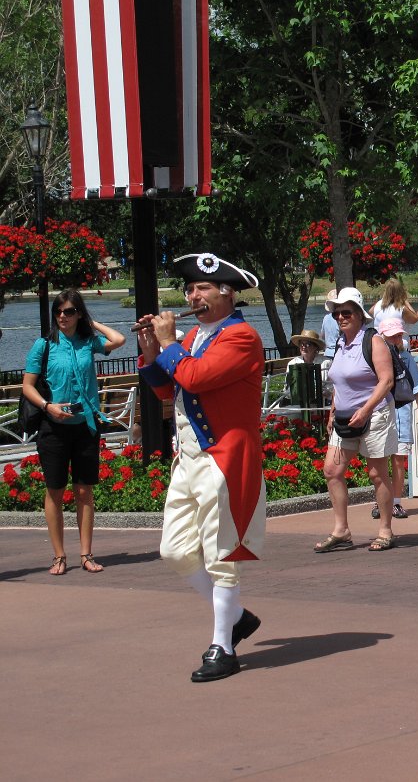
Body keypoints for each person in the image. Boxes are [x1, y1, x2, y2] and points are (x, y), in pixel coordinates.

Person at [136, 253, 265, 682]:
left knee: (221, 554)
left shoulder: (242, 337)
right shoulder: (192, 336)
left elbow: (197, 378)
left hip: (224, 458)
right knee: (174, 550)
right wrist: (151, 350)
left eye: (203, 289)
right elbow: (165, 390)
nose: (194, 296)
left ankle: (222, 646)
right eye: (190, 290)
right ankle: (236, 617)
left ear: (227, 292)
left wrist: (170, 344)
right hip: (189, 458)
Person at [23, 289, 126, 576]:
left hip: (85, 425)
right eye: (58, 312)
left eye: (69, 311)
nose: (62, 317)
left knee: (84, 490)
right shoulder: (43, 345)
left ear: (78, 313)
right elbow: (27, 386)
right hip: (53, 428)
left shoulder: (88, 342)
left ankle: (86, 554)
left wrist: (92, 324)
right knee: (55, 490)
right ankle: (58, 556)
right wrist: (48, 406)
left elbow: (119, 340)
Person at [316, 287, 399, 554]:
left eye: (346, 312)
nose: (341, 317)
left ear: (359, 315)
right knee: (332, 470)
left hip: (374, 414)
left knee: (376, 473)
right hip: (344, 418)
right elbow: (339, 383)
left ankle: (385, 530)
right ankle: (342, 530)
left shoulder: (373, 340)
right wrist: (332, 411)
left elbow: (386, 381)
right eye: (337, 313)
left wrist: (364, 410)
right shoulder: (340, 343)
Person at [374, 317, 418, 519]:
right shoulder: (374, 357)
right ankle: (381, 501)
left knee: (398, 460)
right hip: (380, 413)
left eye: (398, 335)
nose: (396, 338)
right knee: (379, 459)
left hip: (401, 413)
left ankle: (395, 502)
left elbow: (417, 386)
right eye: (392, 335)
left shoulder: (405, 357)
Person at [284, 329, 330, 420]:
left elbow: (332, 387)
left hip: (322, 403)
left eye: (308, 344)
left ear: (315, 347)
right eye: (301, 344)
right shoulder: (292, 363)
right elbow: (287, 389)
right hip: (298, 405)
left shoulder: (326, 362)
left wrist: (323, 392)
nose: (304, 347)